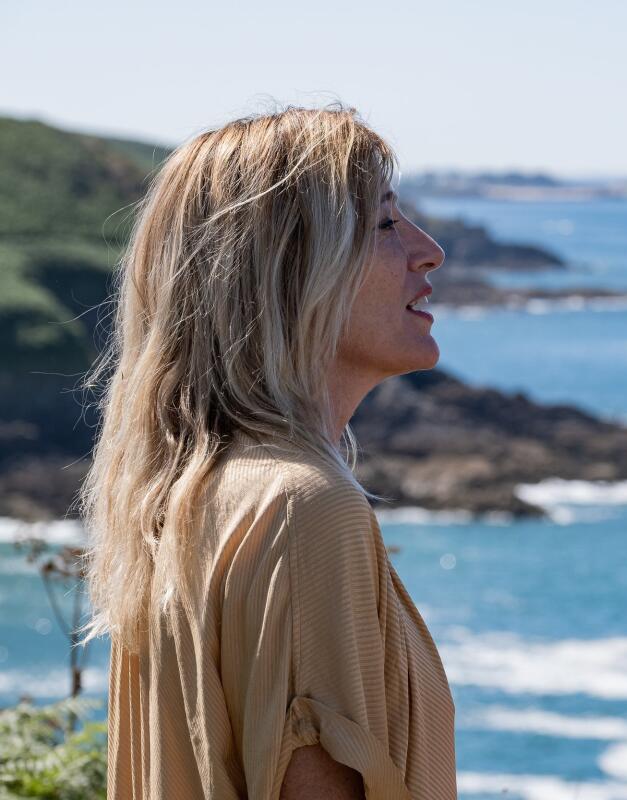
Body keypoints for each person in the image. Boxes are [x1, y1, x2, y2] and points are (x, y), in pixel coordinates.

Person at [79, 106, 456, 799]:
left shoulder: (191, 495)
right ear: (289, 270)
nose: (428, 249)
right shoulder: (301, 508)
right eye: (383, 224)